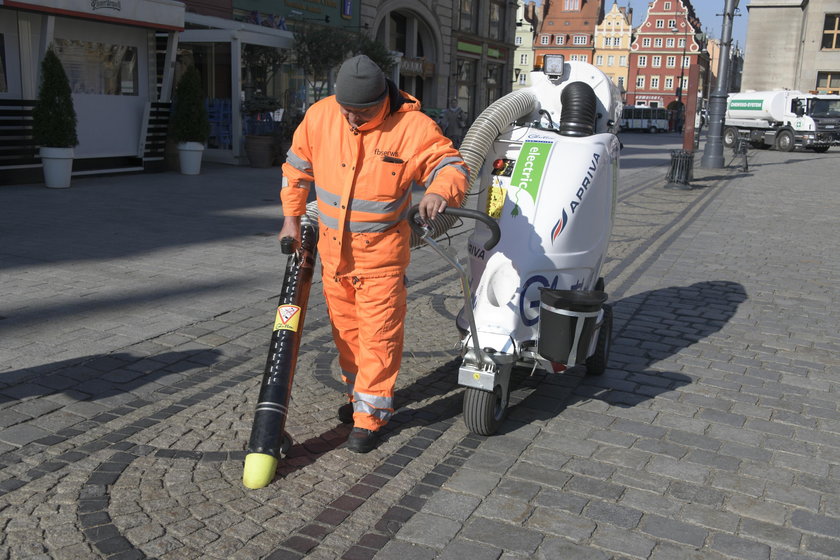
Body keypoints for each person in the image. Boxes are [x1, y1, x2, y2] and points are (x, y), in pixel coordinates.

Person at [278, 55, 469, 453]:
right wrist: (292, 218)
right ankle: (358, 398)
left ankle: (371, 418)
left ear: (381, 101)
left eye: (360, 112)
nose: (350, 119)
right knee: (347, 337)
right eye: (345, 110)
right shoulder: (321, 115)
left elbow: (449, 164)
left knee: (378, 338)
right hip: (334, 256)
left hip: (381, 258)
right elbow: (296, 169)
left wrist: (438, 191)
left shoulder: (412, 127)